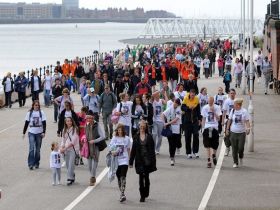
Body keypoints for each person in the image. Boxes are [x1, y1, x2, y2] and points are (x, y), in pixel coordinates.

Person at [129, 120, 157, 202]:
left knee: (147, 177)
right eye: (141, 127)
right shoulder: (136, 137)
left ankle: (146, 191)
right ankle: (142, 195)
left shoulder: (149, 137)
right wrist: (131, 162)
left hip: (147, 160)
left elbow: (152, 151)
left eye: (143, 127)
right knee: (141, 178)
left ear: (145, 128)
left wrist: (153, 162)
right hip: (139, 160)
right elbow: (133, 150)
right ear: (139, 127)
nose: (142, 128)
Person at [109, 124, 131, 202]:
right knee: (118, 177)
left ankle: (122, 193)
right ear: (117, 130)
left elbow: (128, 149)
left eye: (121, 129)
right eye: (119, 129)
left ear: (123, 130)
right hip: (116, 160)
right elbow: (110, 147)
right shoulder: (114, 138)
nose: (120, 131)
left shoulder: (127, 138)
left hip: (124, 160)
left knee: (123, 176)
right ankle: (122, 193)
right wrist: (113, 152)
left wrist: (130, 160)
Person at [225, 98, 250, 168]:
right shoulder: (233, 111)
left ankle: (241, 157)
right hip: (233, 132)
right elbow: (229, 120)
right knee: (234, 148)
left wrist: (248, 128)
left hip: (241, 133)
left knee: (241, 148)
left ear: (238, 105)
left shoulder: (244, 111)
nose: (233, 105)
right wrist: (227, 129)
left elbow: (247, 121)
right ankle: (235, 162)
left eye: (235, 104)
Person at [23, 100, 46, 170]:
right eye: (35, 105)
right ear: (33, 106)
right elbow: (26, 123)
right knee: (31, 148)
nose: (36, 106)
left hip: (39, 132)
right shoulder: (29, 113)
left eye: (37, 105)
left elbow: (44, 123)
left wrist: (44, 132)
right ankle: (30, 164)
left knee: (38, 149)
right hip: (31, 132)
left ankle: (36, 163)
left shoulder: (41, 113)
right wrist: (24, 132)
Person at [85, 111, 106, 186]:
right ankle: (92, 176)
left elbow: (103, 136)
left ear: (92, 118)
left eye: (90, 118)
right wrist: (84, 139)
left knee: (95, 162)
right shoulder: (86, 125)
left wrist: (94, 141)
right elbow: (85, 134)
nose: (88, 119)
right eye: (87, 118)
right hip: (88, 146)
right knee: (89, 164)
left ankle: (92, 177)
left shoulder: (97, 125)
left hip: (96, 146)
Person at [201, 97, 222, 168]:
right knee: (207, 144)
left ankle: (214, 155)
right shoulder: (205, 108)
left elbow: (219, 119)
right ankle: (209, 160)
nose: (209, 103)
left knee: (215, 144)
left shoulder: (217, 107)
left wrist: (214, 111)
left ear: (213, 101)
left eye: (211, 102)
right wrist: (203, 128)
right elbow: (203, 118)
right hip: (207, 127)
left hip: (215, 127)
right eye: (208, 101)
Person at [181, 89, 201, 158]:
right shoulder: (186, 98)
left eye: (193, 95)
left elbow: (198, 110)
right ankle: (188, 152)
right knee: (188, 137)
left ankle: (195, 151)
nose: (192, 96)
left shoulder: (197, 99)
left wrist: (200, 119)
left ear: (195, 94)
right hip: (187, 121)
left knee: (196, 135)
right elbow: (182, 107)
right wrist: (188, 108)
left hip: (195, 120)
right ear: (190, 94)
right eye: (191, 95)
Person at [162, 98, 182, 166]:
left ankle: (173, 156)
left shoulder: (178, 110)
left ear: (178, 104)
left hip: (176, 129)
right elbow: (163, 114)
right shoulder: (170, 108)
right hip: (170, 129)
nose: (175, 104)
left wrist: (168, 123)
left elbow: (176, 119)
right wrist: (163, 122)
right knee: (171, 144)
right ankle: (172, 158)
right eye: (174, 102)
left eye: (176, 103)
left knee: (174, 144)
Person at [60, 117, 80, 185]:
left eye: (70, 121)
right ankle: (72, 174)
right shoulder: (64, 130)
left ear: (72, 122)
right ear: (65, 122)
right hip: (66, 149)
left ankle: (69, 178)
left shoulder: (75, 129)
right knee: (68, 164)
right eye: (67, 121)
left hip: (73, 149)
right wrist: (62, 146)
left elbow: (73, 142)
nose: (69, 122)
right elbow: (63, 139)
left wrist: (64, 148)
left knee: (71, 164)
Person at [222, 88, 236, 156]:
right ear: (229, 94)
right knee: (227, 135)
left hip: (235, 120)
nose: (232, 94)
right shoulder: (227, 101)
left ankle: (235, 149)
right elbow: (224, 111)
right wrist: (222, 121)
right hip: (228, 120)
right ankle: (227, 148)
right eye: (231, 93)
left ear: (235, 94)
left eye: (233, 93)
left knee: (234, 135)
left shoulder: (237, 101)